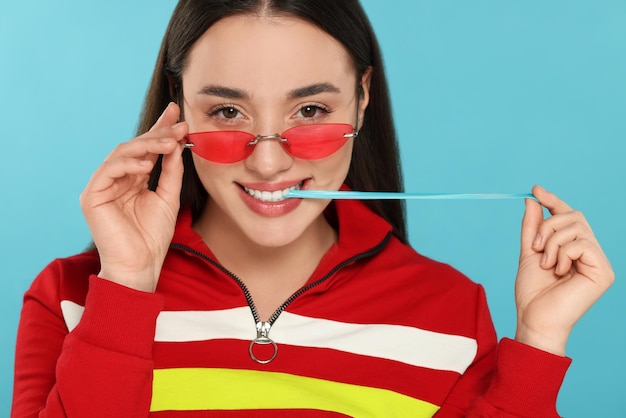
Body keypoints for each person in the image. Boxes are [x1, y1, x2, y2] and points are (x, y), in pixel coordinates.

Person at [12, 0, 614, 416]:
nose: (270, 164)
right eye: (227, 112)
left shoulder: (450, 313)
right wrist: (127, 287)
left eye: (311, 111)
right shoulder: (74, 296)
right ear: (179, 108)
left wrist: (538, 342)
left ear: (363, 96)